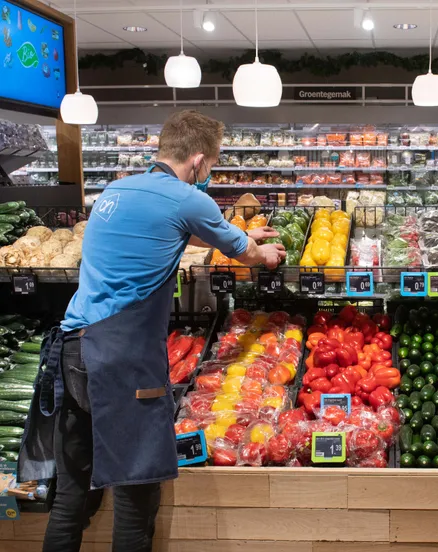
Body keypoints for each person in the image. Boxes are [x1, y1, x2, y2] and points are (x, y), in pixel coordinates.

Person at [18, 110, 285, 552]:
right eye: (213, 165)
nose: (210, 173)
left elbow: (181, 231)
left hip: (71, 350)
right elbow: (249, 255)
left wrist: (238, 230)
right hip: (122, 358)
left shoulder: (115, 190)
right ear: (198, 161)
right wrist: (264, 250)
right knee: (136, 494)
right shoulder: (186, 197)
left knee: (70, 498)